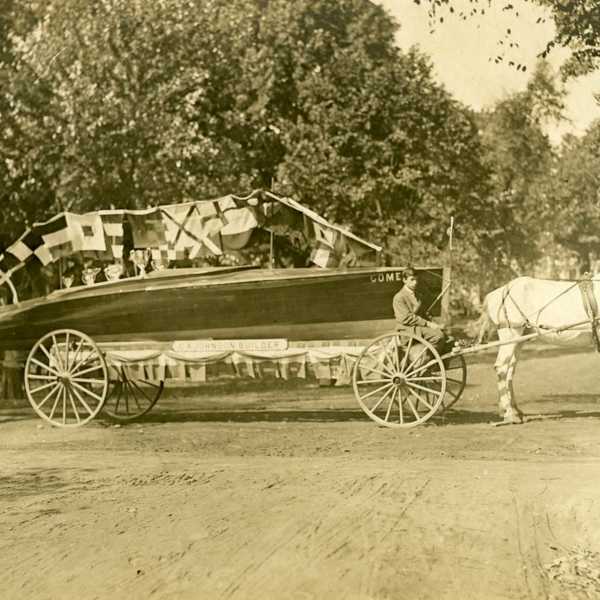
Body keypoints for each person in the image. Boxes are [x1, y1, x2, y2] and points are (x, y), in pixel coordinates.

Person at [393, 267, 451, 353]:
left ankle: (435, 358)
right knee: (438, 336)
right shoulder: (399, 297)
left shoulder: (418, 295)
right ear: (404, 280)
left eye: (416, 280)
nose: (415, 283)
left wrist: (435, 324)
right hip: (407, 330)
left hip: (418, 328)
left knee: (447, 337)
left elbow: (423, 313)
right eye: (412, 280)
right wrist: (428, 324)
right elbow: (406, 318)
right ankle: (426, 358)